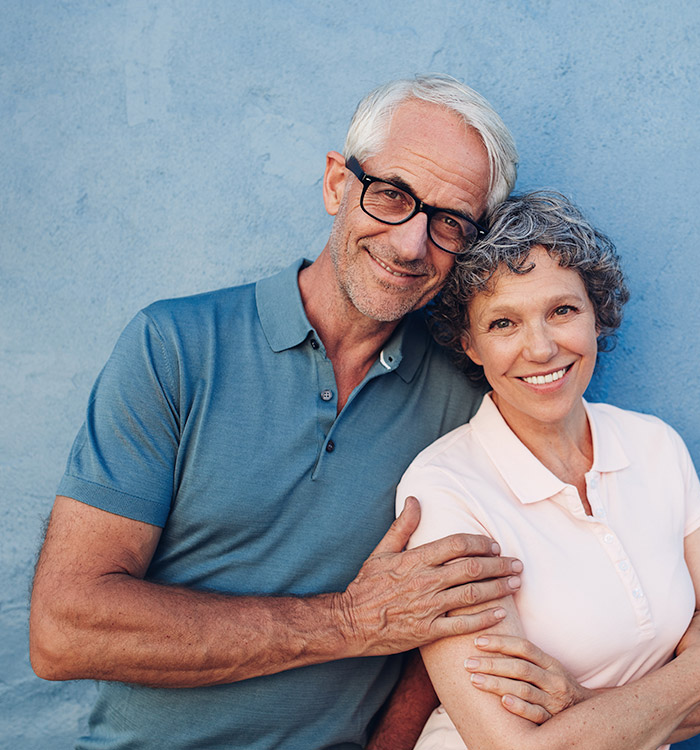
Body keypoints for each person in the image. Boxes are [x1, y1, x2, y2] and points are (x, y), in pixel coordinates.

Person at [28, 74, 530, 750]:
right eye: (391, 195)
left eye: (449, 224)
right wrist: (350, 623)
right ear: (336, 185)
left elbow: (451, 614)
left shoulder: (469, 398)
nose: (412, 245)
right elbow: (64, 630)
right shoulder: (175, 348)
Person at [396, 191, 700, 749]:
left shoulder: (655, 446)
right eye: (504, 323)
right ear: (469, 344)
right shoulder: (444, 490)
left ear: (596, 315)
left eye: (562, 311)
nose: (540, 348)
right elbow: (516, 748)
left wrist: (588, 712)